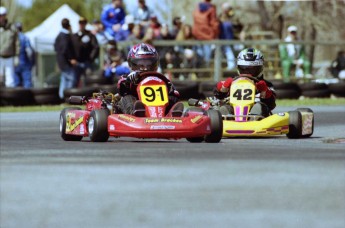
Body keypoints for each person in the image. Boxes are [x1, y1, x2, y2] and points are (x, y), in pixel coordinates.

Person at [117, 43, 183, 117]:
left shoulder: (161, 78)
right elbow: (121, 88)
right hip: (136, 105)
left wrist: (172, 92)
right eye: (141, 65)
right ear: (132, 64)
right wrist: (128, 81)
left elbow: (175, 93)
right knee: (127, 98)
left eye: (149, 65)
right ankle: (137, 113)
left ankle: (173, 113)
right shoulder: (129, 77)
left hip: (161, 109)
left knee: (173, 98)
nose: (145, 68)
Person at [214, 48, 276, 118]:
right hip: (234, 114)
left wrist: (265, 91)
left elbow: (272, 105)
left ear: (260, 68)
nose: (247, 73)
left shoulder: (266, 84)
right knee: (224, 108)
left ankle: (254, 120)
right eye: (244, 69)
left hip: (258, 117)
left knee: (259, 107)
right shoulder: (232, 82)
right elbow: (217, 96)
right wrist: (222, 89)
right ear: (239, 68)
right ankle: (226, 119)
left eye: (252, 70)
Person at [54, 18, 78, 99]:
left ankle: (62, 96)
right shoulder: (65, 36)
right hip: (66, 62)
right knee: (71, 78)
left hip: (61, 61)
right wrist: (71, 58)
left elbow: (56, 47)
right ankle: (68, 96)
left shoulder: (58, 35)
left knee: (64, 79)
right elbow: (65, 49)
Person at [72, 17, 99, 87]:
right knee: (75, 81)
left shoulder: (90, 35)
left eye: (83, 23)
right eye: (80, 23)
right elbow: (70, 48)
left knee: (89, 80)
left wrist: (91, 58)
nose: (82, 25)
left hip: (87, 62)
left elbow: (96, 47)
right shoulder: (74, 36)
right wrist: (71, 58)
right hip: (76, 63)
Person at [192, 0, 219, 66]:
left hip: (197, 34)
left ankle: (200, 67)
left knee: (199, 52)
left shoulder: (197, 8)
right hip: (207, 35)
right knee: (207, 53)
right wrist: (215, 33)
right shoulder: (211, 9)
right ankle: (206, 68)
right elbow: (213, 23)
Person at [0, 6, 19, 87]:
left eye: (2, 15)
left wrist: (17, 56)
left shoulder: (12, 28)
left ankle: (9, 97)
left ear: (5, 16)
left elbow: (17, 43)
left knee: (10, 80)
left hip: (9, 57)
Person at [14, 22, 35, 88]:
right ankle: (27, 98)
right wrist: (31, 61)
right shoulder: (25, 38)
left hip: (15, 63)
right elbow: (29, 51)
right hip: (25, 63)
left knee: (16, 83)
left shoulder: (13, 38)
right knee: (27, 83)